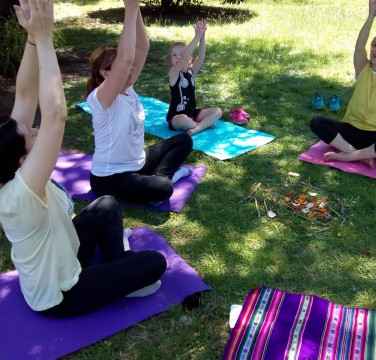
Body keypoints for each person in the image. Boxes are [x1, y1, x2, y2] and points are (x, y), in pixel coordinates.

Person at [0, 0, 166, 318]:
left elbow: (25, 95)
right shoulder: (20, 192)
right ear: (22, 159)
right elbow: (55, 116)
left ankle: (118, 266)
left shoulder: (11, 164)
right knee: (155, 264)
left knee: (106, 204)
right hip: (60, 294)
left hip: (67, 252)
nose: (35, 130)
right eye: (31, 135)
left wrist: (33, 38)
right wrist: (47, 40)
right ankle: (121, 270)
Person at [86, 0, 193, 205]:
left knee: (183, 140)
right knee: (164, 188)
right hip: (109, 178)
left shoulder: (128, 87)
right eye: (118, 67)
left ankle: (158, 177)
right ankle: (162, 181)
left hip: (138, 163)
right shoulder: (102, 99)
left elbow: (142, 47)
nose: (129, 67)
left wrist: (135, 9)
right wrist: (130, 8)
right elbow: (126, 60)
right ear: (105, 73)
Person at [310, 0, 376, 168]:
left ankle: (349, 156)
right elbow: (359, 47)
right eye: (375, 45)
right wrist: (371, 15)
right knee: (317, 122)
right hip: (351, 130)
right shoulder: (363, 68)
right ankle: (359, 155)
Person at [166, 18, 222, 136]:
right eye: (174, 55)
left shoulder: (191, 72)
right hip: (176, 117)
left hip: (192, 112)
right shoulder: (173, 73)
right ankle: (202, 124)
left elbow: (201, 56)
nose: (178, 57)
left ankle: (196, 128)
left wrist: (202, 36)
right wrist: (196, 36)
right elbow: (184, 59)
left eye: (181, 54)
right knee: (182, 119)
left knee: (217, 111)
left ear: (189, 57)